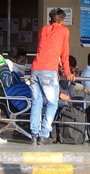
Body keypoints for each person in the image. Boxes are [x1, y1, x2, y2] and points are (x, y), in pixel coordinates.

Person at [30, 8, 75, 145]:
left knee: (36, 102)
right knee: (52, 102)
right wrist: (67, 72)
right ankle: (44, 134)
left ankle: (34, 134)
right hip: (49, 71)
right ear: (62, 20)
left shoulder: (44, 30)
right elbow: (64, 54)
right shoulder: (64, 31)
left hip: (35, 69)